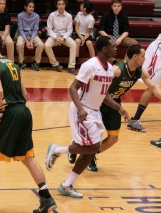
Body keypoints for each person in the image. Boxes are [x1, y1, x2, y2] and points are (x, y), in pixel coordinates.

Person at [0, 32, 56, 213]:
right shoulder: (12, 64)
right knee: (27, 157)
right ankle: (46, 197)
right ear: (0, 46)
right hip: (24, 111)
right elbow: (25, 93)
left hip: (7, 114)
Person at [70, 44, 161, 171]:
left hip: (115, 104)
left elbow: (153, 87)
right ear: (135, 57)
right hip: (100, 103)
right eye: (143, 56)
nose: (145, 59)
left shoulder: (140, 71)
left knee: (113, 138)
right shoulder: (117, 70)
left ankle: (90, 155)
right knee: (96, 135)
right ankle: (77, 146)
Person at [44, 36, 122, 198]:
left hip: (94, 111)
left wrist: (119, 108)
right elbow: (73, 88)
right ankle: (57, 150)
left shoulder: (109, 68)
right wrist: (80, 109)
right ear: (104, 49)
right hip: (82, 109)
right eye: (113, 46)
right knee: (93, 147)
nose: (116, 49)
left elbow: (104, 94)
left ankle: (66, 185)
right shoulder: (90, 65)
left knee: (90, 152)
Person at [44, 0, 77, 74]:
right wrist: (55, 37)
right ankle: (55, 64)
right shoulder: (52, 15)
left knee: (73, 44)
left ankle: (71, 66)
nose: (61, 6)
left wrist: (63, 38)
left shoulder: (69, 16)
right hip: (54, 36)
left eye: (62, 4)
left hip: (64, 36)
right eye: (59, 4)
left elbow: (69, 30)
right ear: (56, 5)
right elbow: (49, 29)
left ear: (65, 5)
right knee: (47, 45)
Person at [16, 0, 44, 71]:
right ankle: (21, 62)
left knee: (41, 45)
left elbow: (35, 30)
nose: (31, 8)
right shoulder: (20, 15)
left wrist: (31, 41)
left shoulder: (36, 16)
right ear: (25, 7)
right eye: (30, 6)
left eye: (33, 7)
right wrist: (26, 41)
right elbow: (20, 30)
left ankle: (36, 63)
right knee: (19, 44)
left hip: (33, 34)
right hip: (23, 34)